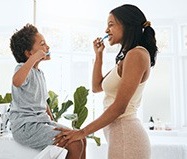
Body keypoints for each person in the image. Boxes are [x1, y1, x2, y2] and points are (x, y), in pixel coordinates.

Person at [54, 4, 158, 159]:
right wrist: (99, 56)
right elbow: (97, 87)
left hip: (127, 136)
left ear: (128, 26)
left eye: (111, 24)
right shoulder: (127, 56)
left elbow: (119, 107)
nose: (106, 30)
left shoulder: (136, 55)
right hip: (121, 136)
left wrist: (81, 133)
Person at [9, 23, 86, 159]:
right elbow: (16, 81)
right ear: (29, 53)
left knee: (80, 137)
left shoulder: (39, 73)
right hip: (25, 127)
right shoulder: (22, 69)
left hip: (40, 122)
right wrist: (33, 59)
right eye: (42, 44)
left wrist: (53, 122)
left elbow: (43, 102)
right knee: (75, 143)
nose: (47, 47)